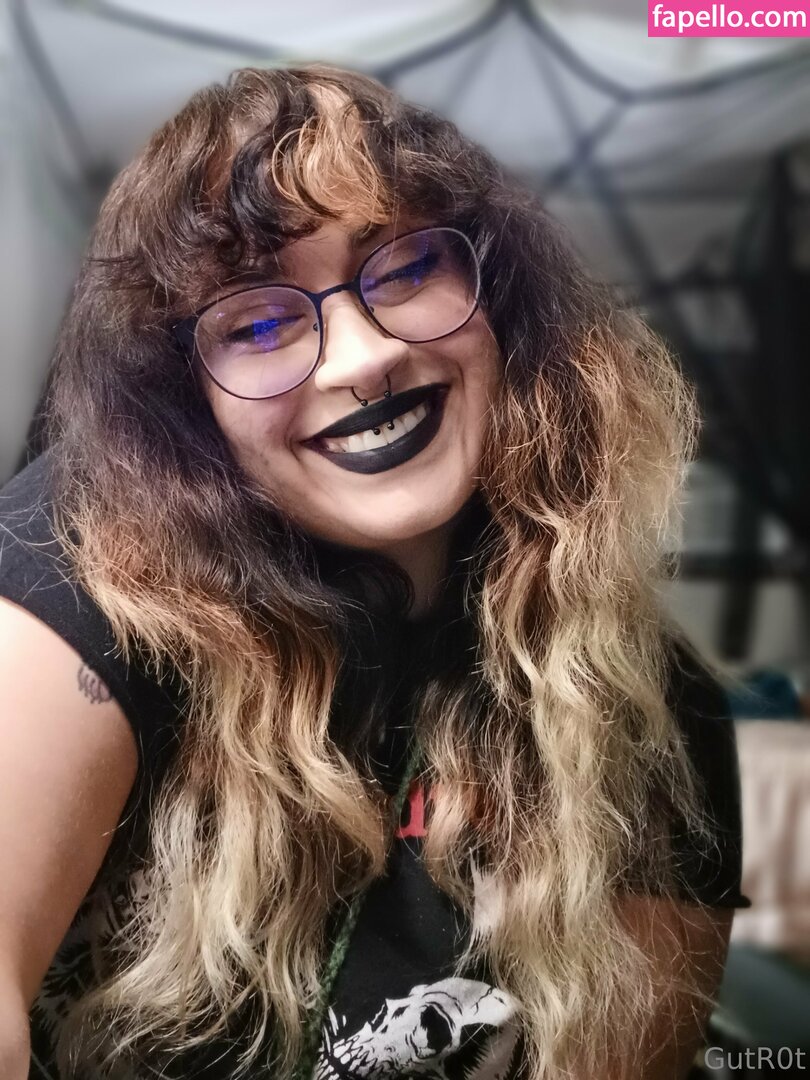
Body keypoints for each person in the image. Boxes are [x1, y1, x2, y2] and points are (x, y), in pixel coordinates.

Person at [0, 65, 749, 1080]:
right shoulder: (77, 566)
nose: (359, 359)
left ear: (499, 298)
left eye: (404, 266)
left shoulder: (659, 708)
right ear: (185, 404)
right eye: (256, 324)